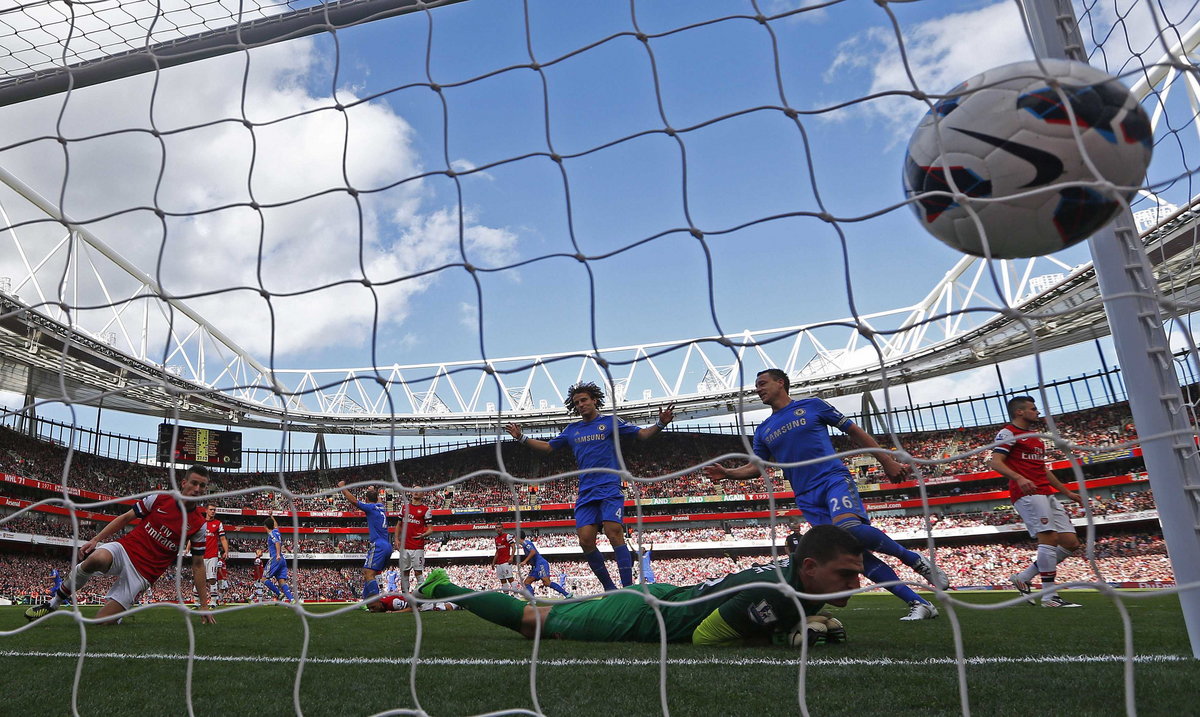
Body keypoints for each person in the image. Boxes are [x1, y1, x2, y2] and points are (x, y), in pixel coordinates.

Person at [702, 369, 948, 621]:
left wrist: (886, 461)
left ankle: (915, 560)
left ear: (781, 383)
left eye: (762, 383)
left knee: (849, 528)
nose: (758, 389)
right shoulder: (763, 429)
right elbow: (757, 467)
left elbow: (854, 431)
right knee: (854, 555)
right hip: (806, 495)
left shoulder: (813, 406)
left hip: (832, 478)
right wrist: (729, 473)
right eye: (757, 385)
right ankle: (918, 603)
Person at [419, 524, 862, 645]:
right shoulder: (774, 593)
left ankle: (442, 587)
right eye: (845, 573)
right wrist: (784, 637)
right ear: (807, 568)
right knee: (532, 622)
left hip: (665, 599)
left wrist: (805, 618)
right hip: (644, 613)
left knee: (542, 616)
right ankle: (442, 586)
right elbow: (707, 636)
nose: (856, 582)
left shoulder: (790, 587)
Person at [506, 382, 675, 590]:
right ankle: (609, 588)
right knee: (585, 541)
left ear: (594, 400)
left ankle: (629, 588)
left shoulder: (610, 422)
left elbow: (641, 435)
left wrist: (660, 424)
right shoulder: (572, 430)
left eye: (584, 400)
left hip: (609, 486)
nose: (580, 405)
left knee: (614, 531)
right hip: (586, 491)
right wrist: (521, 438)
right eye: (576, 402)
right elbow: (549, 447)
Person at [24, 465, 215, 625]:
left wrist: (204, 605)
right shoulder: (159, 499)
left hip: (143, 574)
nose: (197, 489)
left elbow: (198, 564)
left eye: (202, 486)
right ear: (184, 483)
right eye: (194, 483)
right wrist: (96, 539)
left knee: (101, 623)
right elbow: (126, 518)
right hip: (125, 550)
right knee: (96, 558)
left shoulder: (199, 524)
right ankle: (54, 603)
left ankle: (116, 615)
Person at [989, 396, 1083, 608]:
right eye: (1033, 408)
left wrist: (1067, 492)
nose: (1037, 412)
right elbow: (995, 462)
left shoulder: (1036, 439)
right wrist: (1019, 478)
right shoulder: (1008, 433)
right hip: (1028, 493)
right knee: (1048, 538)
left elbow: (1043, 470)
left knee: (1070, 543)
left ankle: (1024, 577)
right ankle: (1050, 597)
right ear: (1019, 412)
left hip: (1045, 493)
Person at [337, 480, 392, 604]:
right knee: (369, 572)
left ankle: (376, 602)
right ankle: (365, 601)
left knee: (368, 573)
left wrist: (342, 488)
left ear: (366, 499)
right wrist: (373, 491)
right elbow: (378, 500)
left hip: (378, 544)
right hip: (387, 545)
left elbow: (354, 501)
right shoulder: (381, 507)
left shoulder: (370, 507)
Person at [395, 492, 434, 599]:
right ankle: (405, 597)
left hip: (417, 546)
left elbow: (430, 529)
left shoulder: (426, 510)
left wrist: (423, 534)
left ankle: (421, 597)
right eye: (414, 491)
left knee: (418, 572)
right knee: (404, 572)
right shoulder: (404, 508)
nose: (416, 493)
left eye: (419, 492)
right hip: (404, 546)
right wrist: (396, 539)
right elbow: (398, 525)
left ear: (422, 495)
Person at [197, 504, 229, 607]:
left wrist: (226, 551)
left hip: (212, 555)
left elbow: (223, 538)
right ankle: (197, 602)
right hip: (201, 554)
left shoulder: (218, 523)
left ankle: (213, 601)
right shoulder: (200, 522)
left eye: (214, 510)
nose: (213, 511)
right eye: (211, 510)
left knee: (212, 578)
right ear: (206, 510)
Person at [263, 516, 296, 603]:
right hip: (282, 559)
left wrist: (277, 554)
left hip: (275, 558)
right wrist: (271, 516)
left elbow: (277, 542)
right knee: (281, 581)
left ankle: (279, 594)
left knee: (263, 579)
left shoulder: (271, 534)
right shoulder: (276, 531)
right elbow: (276, 525)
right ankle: (292, 599)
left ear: (265, 526)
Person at [492, 525, 518, 592]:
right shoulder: (496, 538)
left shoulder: (507, 536)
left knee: (510, 578)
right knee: (502, 580)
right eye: (497, 528)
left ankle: (516, 595)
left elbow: (513, 547)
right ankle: (507, 597)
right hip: (499, 563)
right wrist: (493, 562)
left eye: (499, 527)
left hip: (506, 561)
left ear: (502, 528)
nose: (498, 529)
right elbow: (497, 551)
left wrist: (511, 557)